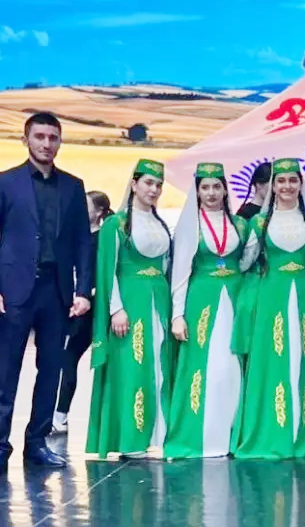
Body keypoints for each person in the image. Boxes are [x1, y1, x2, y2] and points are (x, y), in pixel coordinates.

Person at [0, 112, 92, 469]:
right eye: (39, 136)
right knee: (6, 370)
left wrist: (82, 290)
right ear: (26, 140)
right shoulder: (6, 183)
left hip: (57, 292)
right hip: (14, 290)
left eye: (53, 137)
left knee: (51, 370)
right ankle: (0, 445)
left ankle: (36, 444)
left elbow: (83, 242)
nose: (46, 144)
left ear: (60, 142)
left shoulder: (73, 186)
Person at [233, 158, 305, 460]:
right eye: (281, 180)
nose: (287, 186)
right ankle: (271, 433)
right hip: (271, 298)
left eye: (293, 180)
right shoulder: (259, 223)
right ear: (272, 186)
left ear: (301, 184)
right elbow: (244, 262)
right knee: (271, 361)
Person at [86, 159, 173, 459]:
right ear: (134, 184)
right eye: (148, 183)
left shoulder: (161, 224)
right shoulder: (117, 224)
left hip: (159, 303)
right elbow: (107, 269)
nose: (154, 189)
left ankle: (158, 435)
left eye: (158, 184)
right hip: (131, 303)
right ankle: (130, 439)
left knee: (158, 366)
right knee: (133, 369)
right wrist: (116, 309)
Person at [164, 163, 248, 459]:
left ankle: (233, 435)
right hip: (202, 300)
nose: (211, 193)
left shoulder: (240, 225)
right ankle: (200, 436)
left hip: (235, 297)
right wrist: (177, 315)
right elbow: (180, 272)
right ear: (197, 191)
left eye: (216, 186)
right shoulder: (190, 225)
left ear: (225, 190)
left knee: (233, 365)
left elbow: (248, 262)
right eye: (205, 187)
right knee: (204, 364)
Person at [52, 191, 113, 434]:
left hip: (89, 306)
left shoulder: (103, 239)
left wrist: (86, 296)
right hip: (68, 303)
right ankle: (57, 413)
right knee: (62, 357)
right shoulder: (75, 236)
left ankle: (60, 414)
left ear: (99, 212)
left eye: (85, 205)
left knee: (69, 357)